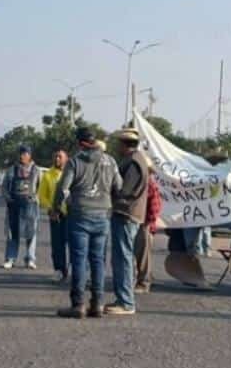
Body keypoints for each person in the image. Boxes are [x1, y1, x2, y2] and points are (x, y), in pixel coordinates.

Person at [52, 127, 122, 319]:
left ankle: (78, 305)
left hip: (80, 215)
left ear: (79, 143)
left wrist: (58, 207)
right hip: (103, 215)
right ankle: (97, 304)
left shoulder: (75, 161)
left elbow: (63, 188)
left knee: (79, 260)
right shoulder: (110, 161)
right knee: (98, 260)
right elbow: (119, 186)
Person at [106, 126, 149, 316]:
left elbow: (125, 191)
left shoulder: (133, 163)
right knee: (123, 257)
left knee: (123, 258)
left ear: (125, 144)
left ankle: (126, 302)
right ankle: (122, 299)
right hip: (129, 214)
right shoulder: (137, 159)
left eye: (119, 143)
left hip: (126, 215)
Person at [2, 145, 41, 269]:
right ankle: (10, 259)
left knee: (31, 233)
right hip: (14, 205)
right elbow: (4, 187)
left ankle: (30, 259)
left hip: (30, 206)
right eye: (20, 153)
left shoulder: (36, 170)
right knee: (13, 233)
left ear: (30, 155)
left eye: (25, 154)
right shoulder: (11, 170)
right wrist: (8, 198)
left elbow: (41, 187)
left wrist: (35, 198)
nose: (22, 156)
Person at [38, 148, 69, 283]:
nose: (57, 159)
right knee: (57, 245)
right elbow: (41, 196)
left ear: (66, 159)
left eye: (60, 157)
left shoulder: (72, 172)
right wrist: (50, 209)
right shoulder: (48, 175)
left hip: (72, 215)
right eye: (55, 156)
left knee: (76, 246)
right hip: (56, 215)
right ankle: (59, 270)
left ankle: (78, 273)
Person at [134, 171, 162, 294]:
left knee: (143, 257)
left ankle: (143, 283)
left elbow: (154, 206)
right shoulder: (146, 182)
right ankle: (141, 280)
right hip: (141, 222)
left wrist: (148, 223)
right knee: (140, 255)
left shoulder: (148, 183)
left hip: (144, 223)